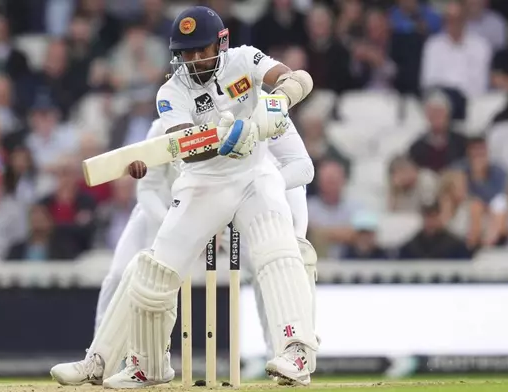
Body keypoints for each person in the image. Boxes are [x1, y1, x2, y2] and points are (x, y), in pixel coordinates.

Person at [51, 6, 316, 388]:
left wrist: (278, 102)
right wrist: (225, 140)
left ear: (220, 43)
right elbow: (184, 144)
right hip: (202, 183)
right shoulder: (171, 90)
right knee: (154, 272)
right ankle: (136, 366)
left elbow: (296, 78)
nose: (193, 60)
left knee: (278, 252)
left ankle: (296, 351)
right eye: (185, 53)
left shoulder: (244, 58)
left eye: (201, 50)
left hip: (255, 176)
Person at [92, 113, 317, 358]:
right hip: (166, 213)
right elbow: (147, 191)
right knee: (122, 274)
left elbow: (298, 171)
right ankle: (102, 357)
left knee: (273, 269)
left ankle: (284, 351)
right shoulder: (162, 128)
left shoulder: (252, 118)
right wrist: (182, 228)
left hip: (239, 209)